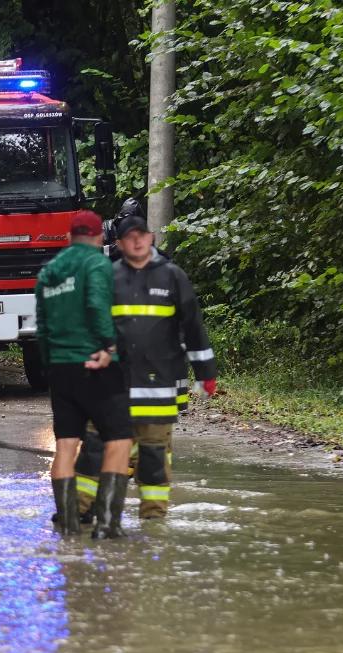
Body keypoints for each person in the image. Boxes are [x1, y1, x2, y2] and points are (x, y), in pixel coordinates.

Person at [75, 214, 218, 520]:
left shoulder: (173, 277)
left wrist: (206, 374)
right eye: (130, 236)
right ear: (120, 242)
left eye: (142, 235)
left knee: (154, 455)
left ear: (151, 238)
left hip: (158, 386)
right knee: (94, 450)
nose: (137, 241)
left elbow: (193, 327)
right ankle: (79, 512)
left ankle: (153, 521)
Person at [35, 210, 134, 539]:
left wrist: (52, 365)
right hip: (94, 364)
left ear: (68, 236)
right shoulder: (96, 263)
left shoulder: (48, 272)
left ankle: (68, 524)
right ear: (98, 237)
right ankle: (106, 525)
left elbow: (43, 327)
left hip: (60, 369)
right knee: (118, 442)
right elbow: (95, 304)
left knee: (65, 446)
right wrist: (109, 345)